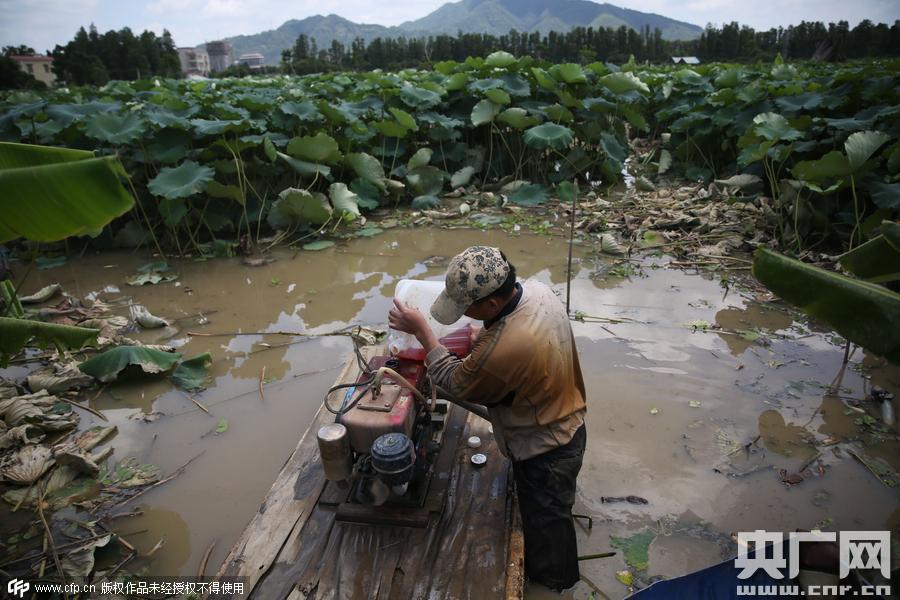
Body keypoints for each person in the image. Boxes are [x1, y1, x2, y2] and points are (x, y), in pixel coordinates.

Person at [388, 245, 587, 591]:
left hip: (545, 449)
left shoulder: (508, 345)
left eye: (468, 309)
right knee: (553, 512)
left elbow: (455, 382)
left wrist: (424, 332)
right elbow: (504, 339)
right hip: (566, 418)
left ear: (492, 304)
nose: (466, 315)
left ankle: (554, 584)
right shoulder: (538, 291)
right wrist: (484, 336)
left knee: (549, 531)